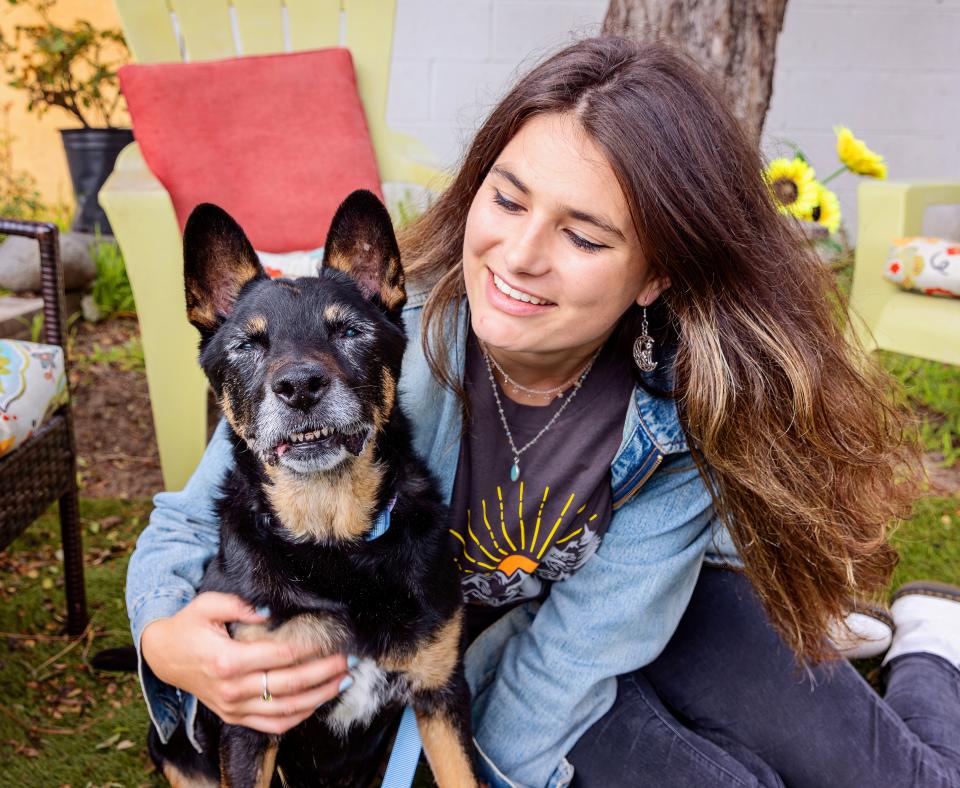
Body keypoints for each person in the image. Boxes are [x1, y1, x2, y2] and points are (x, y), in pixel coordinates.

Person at [126, 37, 960, 788]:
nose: (520, 258)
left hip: (649, 620)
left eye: (585, 237)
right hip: (497, 657)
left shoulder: (685, 413)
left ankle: (931, 648)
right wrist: (167, 644)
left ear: (655, 274)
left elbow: (588, 645)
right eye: (509, 199)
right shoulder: (372, 340)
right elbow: (187, 529)